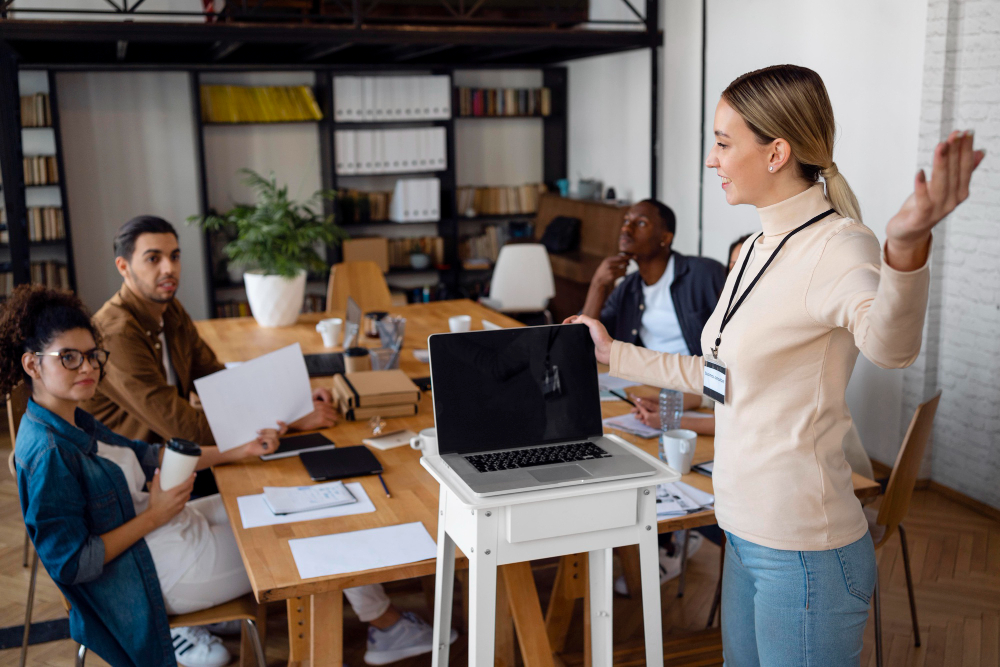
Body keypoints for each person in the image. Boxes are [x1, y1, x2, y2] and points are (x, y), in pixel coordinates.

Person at [569, 64, 982, 664]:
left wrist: (905, 248)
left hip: (804, 546)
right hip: (742, 529)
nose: (712, 159)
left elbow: (891, 350)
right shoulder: (758, 247)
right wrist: (613, 354)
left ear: (776, 152)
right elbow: (721, 376)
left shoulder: (840, 245)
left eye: (722, 141)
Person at [6, 286, 284, 666]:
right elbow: (71, 563)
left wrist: (241, 450)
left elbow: (148, 455)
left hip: (167, 535)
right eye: (68, 358)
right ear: (32, 365)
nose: (87, 368)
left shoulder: (73, 418)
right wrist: (156, 515)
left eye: (91, 356)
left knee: (272, 506)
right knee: (286, 545)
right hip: (150, 575)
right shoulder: (50, 452)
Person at [83, 215, 337, 452]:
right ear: (123, 267)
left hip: (176, 457)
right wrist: (289, 419)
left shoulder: (169, 309)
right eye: (153, 259)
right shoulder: (116, 335)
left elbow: (218, 381)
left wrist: (293, 400)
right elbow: (186, 430)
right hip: (140, 476)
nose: (168, 269)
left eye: (174, 257)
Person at [581, 199, 725, 357]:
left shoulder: (703, 273)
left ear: (665, 238)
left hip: (695, 376)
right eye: (627, 220)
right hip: (647, 377)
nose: (626, 229)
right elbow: (584, 339)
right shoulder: (629, 287)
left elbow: (734, 331)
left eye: (641, 223)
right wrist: (598, 284)